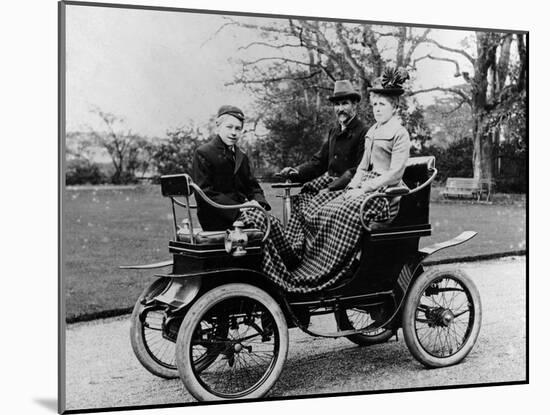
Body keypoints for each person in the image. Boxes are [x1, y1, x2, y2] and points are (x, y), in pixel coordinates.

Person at [257, 68, 411, 293]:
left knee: (338, 211)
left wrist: (360, 187)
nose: (378, 109)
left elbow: (395, 173)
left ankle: (332, 266)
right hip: (363, 186)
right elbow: (358, 167)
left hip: (385, 192)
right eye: (376, 104)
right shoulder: (371, 132)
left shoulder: (398, 133)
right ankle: (307, 258)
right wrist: (352, 188)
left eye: (383, 105)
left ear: (395, 107)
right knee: (325, 207)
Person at [192, 105, 271, 231]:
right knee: (259, 221)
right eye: (229, 127)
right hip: (216, 216)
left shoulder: (241, 156)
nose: (234, 132)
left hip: (242, 213)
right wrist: (239, 207)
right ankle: (266, 251)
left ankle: (282, 252)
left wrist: (258, 203)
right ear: (218, 127)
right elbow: (205, 193)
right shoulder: (204, 153)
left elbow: (252, 187)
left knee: (271, 222)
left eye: (238, 128)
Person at [280, 79, 368, 192]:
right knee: (300, 200)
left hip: (349, 188)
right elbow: (319, 163)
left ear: (354, 105)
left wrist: (331, 188)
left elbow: (359, 170)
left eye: (345, 103)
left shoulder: (364, 132)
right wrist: (297, 171)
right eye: (337, 104)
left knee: (315, 205)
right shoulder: (334, 132)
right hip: (330, 185)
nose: (340, 109)